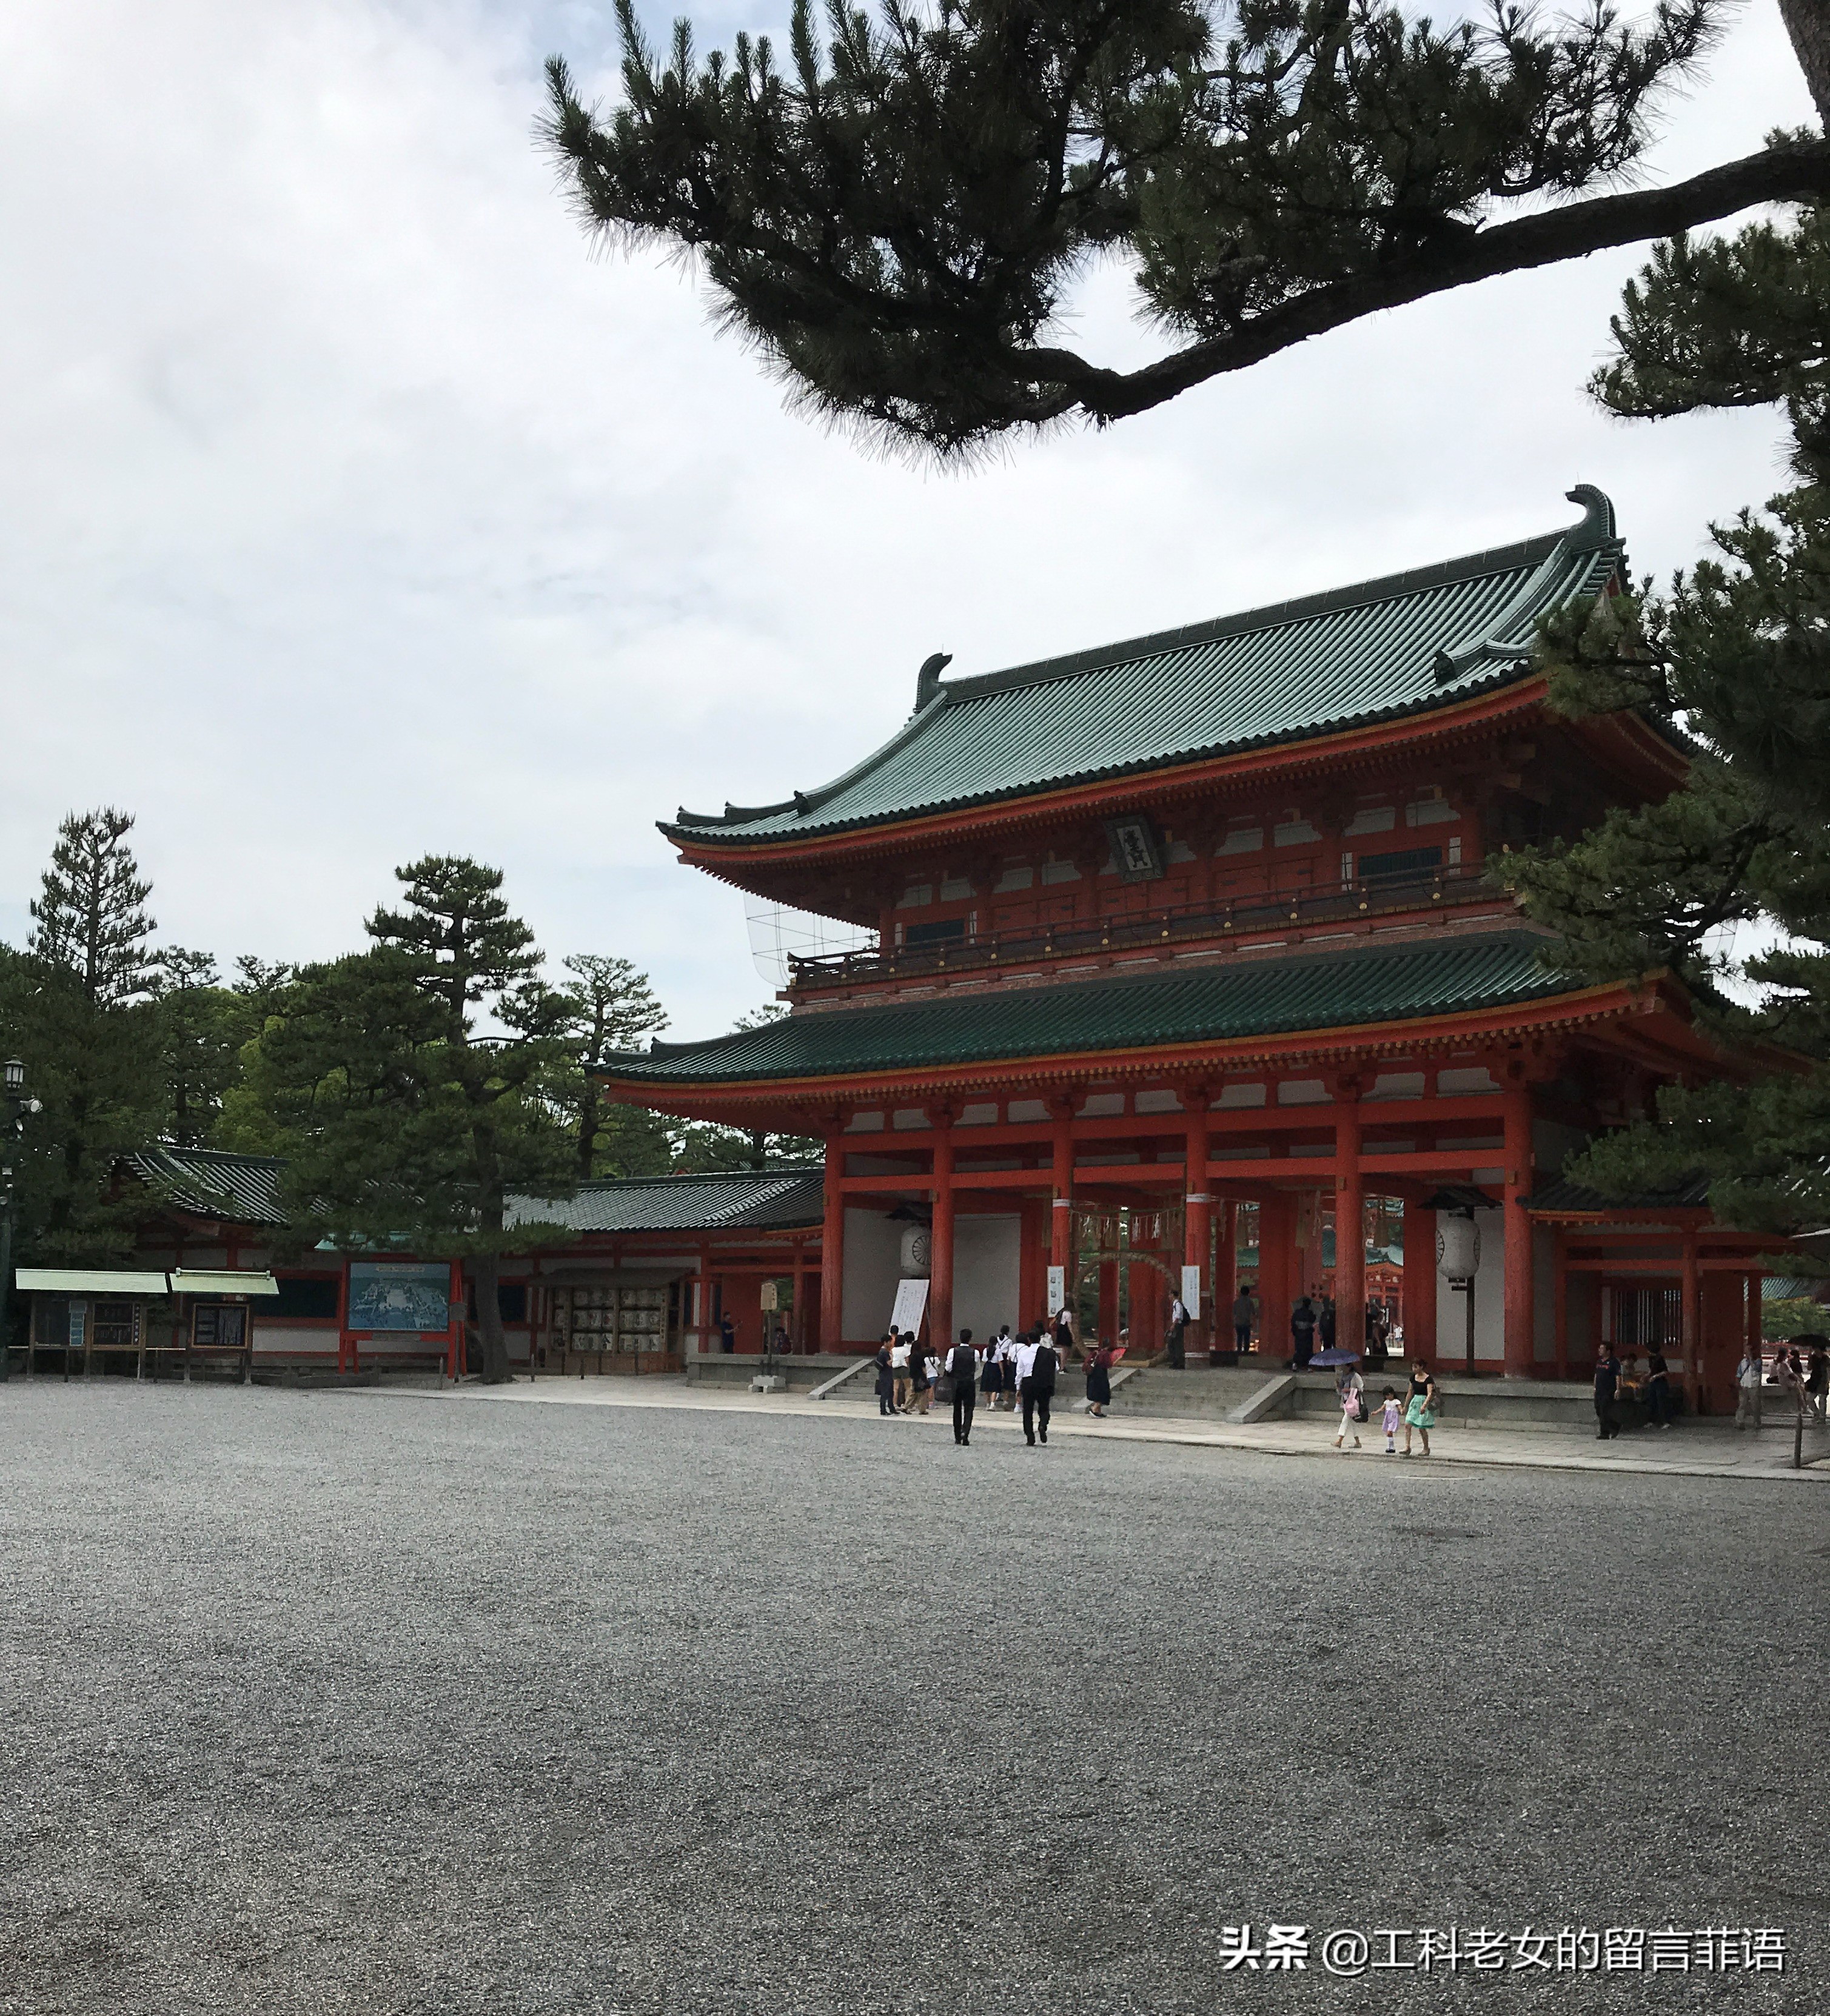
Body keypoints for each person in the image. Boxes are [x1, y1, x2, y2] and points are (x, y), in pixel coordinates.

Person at [1019, 1326, 1057, 1445]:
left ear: (1029, 1340)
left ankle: (1030, 1437)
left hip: (1028, 1382)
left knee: (1028, 1410)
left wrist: (1017, 1386)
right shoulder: (1048, 1353)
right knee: (1044, 1408)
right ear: (1040, 1339)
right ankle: (1042, 1425)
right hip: (1043, 1382)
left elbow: (1019, 1371)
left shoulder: (1024, 1353)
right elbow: (1056, 1367)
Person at [948, 1328, 979, 1445]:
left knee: (957, 1409)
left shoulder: (953, 1351)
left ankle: (957, 1436)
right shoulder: (975, 1352)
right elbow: (977, 1367)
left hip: (957, 1382)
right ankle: (965, 1432)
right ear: (970, 1339)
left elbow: (948, 1368)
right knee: (969, 1409)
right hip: (969, 1382)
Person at [1401, 1360, 1437, 1456]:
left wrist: (1424, 1406)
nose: (1414, 1369)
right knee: (1408, 1424)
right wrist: (1405, 1406)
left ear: (1421, 1367)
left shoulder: (1428, 1379)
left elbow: (1430, 1394)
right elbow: (1410, 1392)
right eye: (1413, 1367)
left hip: (1423, 1401)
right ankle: (1407, 1446)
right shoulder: (1413, 1378)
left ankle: (1426, 1448)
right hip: (1415, 1402)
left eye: (1416, 1367)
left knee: (1422, 1427)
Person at [1332, 1360, 1365, 1451]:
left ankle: (1340, 1440)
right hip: (1346, 1402)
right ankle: (1358, 1442)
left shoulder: (1355, 1376)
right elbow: (1340, 1392)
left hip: (1354, 1402)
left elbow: (1361, 1388)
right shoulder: (1343, 1377)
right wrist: (1338, 1385)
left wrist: (1350, 1390)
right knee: (1352, 1422)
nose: (1343, 1369)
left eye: (1344, 1367)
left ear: (1349, 1367)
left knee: (1345, 1420)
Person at [1734, 1339, 1764, 1432]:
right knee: (1742, 1405)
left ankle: (1757, 1422)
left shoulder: (1758, 1361)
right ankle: (1740, 1422)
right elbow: (1739, 1373)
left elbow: (1756, 1369)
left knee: (1755, 1405)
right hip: (1744, 1385)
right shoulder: (1743, 1362)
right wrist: (1737, 1382)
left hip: (1753, 1386)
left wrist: (1751, 1358)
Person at [1594, 1343, 1621, 1440]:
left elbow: (1618, 1376)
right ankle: (1615, 1426)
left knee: (1604, 1411)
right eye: (1599, 1348)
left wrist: (1618, 1389)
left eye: (1602, 1349)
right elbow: (1597, 1374)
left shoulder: (1614, 1362)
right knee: (1598, 1410)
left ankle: (1604, 1433)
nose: (1600, 1350)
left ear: (1608, 1351)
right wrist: (1595, 1387)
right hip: (1599, 1390)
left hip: (1608, 1390)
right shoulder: (1599, 1362)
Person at [1643, 1345, 1673, 1429]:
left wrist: (1655, 1376)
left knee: (1661, 1401)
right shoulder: (1651, 1358)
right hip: (1653, 1382)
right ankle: (1652, 1421)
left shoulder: (1660, 1359)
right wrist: (1646, 1375)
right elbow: (1652, 1370)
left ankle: (1665, 1421)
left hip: (1660, 1382)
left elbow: (1665, 1372)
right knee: (1652, 1401)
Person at [1086, 1339, 1114, 1419]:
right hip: (1101, 1374)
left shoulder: (1097, 1352)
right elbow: (1108, 1365)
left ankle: (1098, 1411)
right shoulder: (1105, 1354)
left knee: (1097, 1391)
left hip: (1093, 1373)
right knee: (1103, 1391)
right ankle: (1095, 1408)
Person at [1290, 1296, 1317, 1369]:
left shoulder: (1297, 1312)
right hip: (1307, 1334)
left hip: (1299, 1333)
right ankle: (1308, 1366)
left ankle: (1295, 1364)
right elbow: (1313, 1320)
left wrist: (1295, 1331)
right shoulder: (1310, 1313)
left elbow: (1293, 1322)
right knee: (1308, 1350)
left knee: (1299, 1349)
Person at [910, 1334, 934, 1415]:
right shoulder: (920, 1356)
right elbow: (923, 1367)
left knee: (914, 1392)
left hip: (913, 1375)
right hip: (920, 1376)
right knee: (923, 1392)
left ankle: (906, 1406)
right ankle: (922, 1409)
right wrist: (926, 1375)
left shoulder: (911, 1356)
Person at [1808, 1339, 1829, 1425]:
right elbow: (1809, 1368)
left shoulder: (1826, 1358)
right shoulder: (1813, 1357)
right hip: (1814, 1379)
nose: (1814, 1350)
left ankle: (1822, 1417)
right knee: (1809, 1399)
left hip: (1823, 1380)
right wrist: (1809, 1358)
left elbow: (1828, 1371)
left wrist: (1828, 1382)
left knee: (1822, 1399)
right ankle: (1816, 1413)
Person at [873, 1335, 896, 1417]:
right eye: (889, 1342)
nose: (891, 1343)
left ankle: (891, 1408)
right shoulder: (885, 1352)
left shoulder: (882, 1351)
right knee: (886, 1393)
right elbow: (889, 1363)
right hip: (886, 1374)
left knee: (889, 1392)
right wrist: (893, 1358)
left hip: (884, 1374)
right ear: (885, 1342)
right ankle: (884, 1409)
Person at [890, 1331, 912, 1413]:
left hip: (895, 1368)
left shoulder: (893, 1350)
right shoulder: (905, 1349)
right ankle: (907, 1404)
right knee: (908, 1387)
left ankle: (895, 1404)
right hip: (903, 1368)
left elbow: (892, 1358)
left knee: (896, 1388)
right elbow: (907, 1360)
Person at [1232, 1283, 1255, 1356]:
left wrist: (1234, 1322)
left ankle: (1239, 1351)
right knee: (1247, 1339)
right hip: (1246, 1323)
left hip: (1238, 1322)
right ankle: (1246, 1352)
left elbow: (1234, 1313)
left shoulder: (1236, 1302)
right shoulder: (1250, 1302)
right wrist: (1252, 1322)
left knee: (1239, 1338)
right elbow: (1253, 1313)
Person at [1167, 1294, 1188, 1368]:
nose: (1169, 1297)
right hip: (1177, 1326)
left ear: (1173, 1295)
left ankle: (1179, 1363)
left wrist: (1173, 1325)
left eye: (1170, 1295)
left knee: (1176, 1344)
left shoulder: (1177, 1304)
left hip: (1178, 1326)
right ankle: (1176, 1362)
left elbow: (1178, 1316)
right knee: (1173, 1344)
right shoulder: (1176, 1304)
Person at [1379, 1387, 1403, 1455]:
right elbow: (1382, 1408)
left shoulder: (1396, 1401)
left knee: (1390, 1431)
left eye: (1388, 1395)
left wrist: (1401, 1410)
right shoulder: (1386, 1402)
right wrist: (1376, 1412)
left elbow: (1400, 1407)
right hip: (1388, 1418)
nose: (1388, 1397)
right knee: (1388, 1433)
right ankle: (1390, 1446)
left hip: (1393, 1418)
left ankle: (1392, 1447)